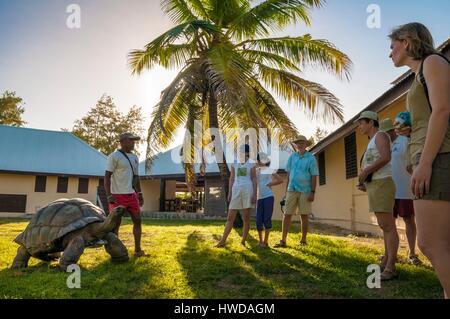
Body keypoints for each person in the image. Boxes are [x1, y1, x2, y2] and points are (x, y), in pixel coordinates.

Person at [389, 22, 450, 297]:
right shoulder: (417, 76)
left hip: (438, 160)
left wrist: (424, 163)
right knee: (439, 243)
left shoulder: (433, 62)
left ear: (408, 41)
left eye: (393, 45)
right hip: (430, 158)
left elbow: (442, 111)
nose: (390, 52)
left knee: (430, 243)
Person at [356, 111, 399, 281]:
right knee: (384, 225)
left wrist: (366, 171)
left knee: (388, 226)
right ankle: (387, 260)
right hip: (376, 185)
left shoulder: (380, 135)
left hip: (382, 184)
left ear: (371, 123)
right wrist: (366, 181)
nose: (359, 126)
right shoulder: (372, 140)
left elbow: (386, 157)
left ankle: (391, 267)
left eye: (361, 123)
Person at [380, 118, 422, 265]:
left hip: (404, 189)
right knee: (388, 223)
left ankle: (412, 253)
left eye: (386, 133)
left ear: (392, 130)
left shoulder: (404, 141)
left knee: (409, 219)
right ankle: (390, 254)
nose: (384, 136)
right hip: (387, 190)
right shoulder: (383, 145)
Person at [105, 133, 147, 257]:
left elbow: (136, 177)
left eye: (134, 141)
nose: (133, 143)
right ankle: (115, 252)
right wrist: (108, 195)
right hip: (117, 195)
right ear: (122, 142)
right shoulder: (114, 156)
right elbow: (107, 176)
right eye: (131, 141)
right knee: (116, 224)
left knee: (138, 220)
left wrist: (139, 193)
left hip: (131, 194)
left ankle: (138, 251)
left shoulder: (135, 157)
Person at [275, 135, 318, 248]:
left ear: (305, 144)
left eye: (302, 143)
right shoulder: (292, 157)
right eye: (298, 143)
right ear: (296, 145)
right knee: (287, 214)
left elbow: (314, 176)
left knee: (304, 215)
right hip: (291, 189)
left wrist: (313, 192)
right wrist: (286, 191)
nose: (300, 145)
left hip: (305, 190)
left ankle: (303, 240)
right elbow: (289, 174)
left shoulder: (311, 158)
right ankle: (283, 240)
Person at [216, 144, 257, 247]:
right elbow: (232, 178)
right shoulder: (234, 163)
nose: (240, 153)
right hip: (236, 191)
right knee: (230, 217)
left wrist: (255, 194)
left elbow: (254, 179)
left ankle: (243, 240)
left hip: (248, 191)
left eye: (242, 151)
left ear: (247, 153)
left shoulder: (251, 164)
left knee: (246, 218)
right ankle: (222, 241)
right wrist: (229, 192)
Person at [255, 152, 283, 248]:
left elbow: (280, 180)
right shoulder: (256, 170)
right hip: (259, 198)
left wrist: (270, 184)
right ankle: (260, 241)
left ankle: (265, 242)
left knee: (266, 219)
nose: (260, 161)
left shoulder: (269, 170)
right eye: (259, 159)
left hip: (268, 197)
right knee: (258, 220)